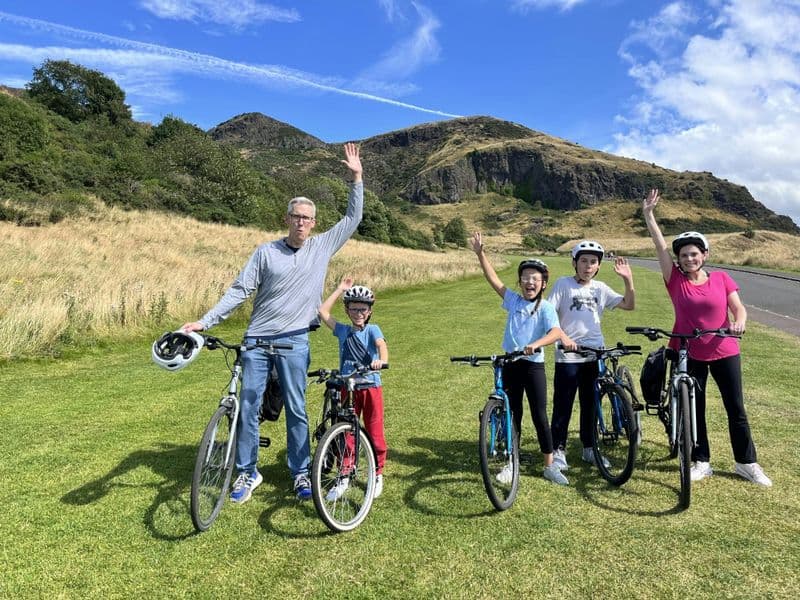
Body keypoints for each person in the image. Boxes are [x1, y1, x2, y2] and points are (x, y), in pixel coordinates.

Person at [181, 143, 364, 503]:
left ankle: (299, 473)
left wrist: (356, 178)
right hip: (257, 341)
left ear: (314, 223)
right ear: (287, 219)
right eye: (295, 216)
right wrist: (205, 321)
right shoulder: (266, 252)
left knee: (297, 408)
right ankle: (247, 473)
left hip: (295, 341)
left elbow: (352, 219)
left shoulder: (322, 246)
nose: (301, 222)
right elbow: (239, 290)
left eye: (307, 218)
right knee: (248, 406)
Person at [642, 188, 772, 487]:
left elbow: (738, 309)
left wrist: (739, 322)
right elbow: (660, 248)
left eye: (694, 254)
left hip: (724, 348)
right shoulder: (674, 280)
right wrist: (649, 215)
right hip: (688, 351)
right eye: (684, 255)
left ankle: (746, 463)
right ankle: (701, 460)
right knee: (694, 408)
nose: (689, 259)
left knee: (735, 408)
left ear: (704, 255)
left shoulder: (722, 279)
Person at [470, 232, 568, 485]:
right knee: (513, 414)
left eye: (535, 279)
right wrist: (481, 253)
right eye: (525, 278)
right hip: (510, 364)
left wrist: (535, 344)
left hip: (533, 366)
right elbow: (493, 280)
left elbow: (556, 332)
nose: (529, 282)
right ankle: (511, 462)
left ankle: (549, 465)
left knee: (539, 414)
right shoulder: (513, 300)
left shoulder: (545, 308)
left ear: (543, 283)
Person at [548, 240, 635, 471]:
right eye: (584, 261)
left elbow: (628, 304)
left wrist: (628, 279)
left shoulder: (601, 288)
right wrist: (562, 338)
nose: (588, 266)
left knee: (591, 403)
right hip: (568, 356)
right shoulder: (563, 284)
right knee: (563, 404)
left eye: (593, 262)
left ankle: (589, 448)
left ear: (598, 266)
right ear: (574, 263)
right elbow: (548, 313)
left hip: (595, 354)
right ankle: (558, 449)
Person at [318, 277, 389, 499]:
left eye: (363, 309)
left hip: (370, 387)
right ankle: (345, 473)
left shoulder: (373, 329)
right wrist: (340, 289)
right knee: (346, 432)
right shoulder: (343, 331)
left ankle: (377, 473)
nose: (359, 312)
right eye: (354, 308)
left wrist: (381, 361)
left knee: (374, 432)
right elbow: (323, 312)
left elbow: (381, 346)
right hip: (347, 387)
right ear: (347, 310)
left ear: (369, 311)